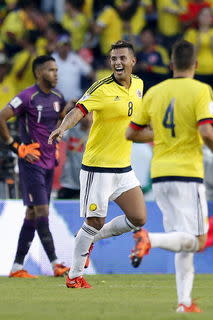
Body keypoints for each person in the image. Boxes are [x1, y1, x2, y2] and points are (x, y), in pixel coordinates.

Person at [125, 40, 213, 312]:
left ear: (170, 65)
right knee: (198, 241)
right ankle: (150, 240)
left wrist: (157, 135)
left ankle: (184, 302)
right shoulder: (201, 90)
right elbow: (206, 131)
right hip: (187, 174)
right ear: (196, 65)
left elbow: (131, 133)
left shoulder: (155, 92)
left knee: (182, 240)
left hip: (160, 175)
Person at [48, 40, 147, 289]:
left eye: (122, 58)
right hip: (98, 167)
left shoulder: (139, 84)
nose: (117, 62)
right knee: (95, 221)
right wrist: (62, 127)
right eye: (113, 58)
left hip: (123, 167)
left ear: (133, 61)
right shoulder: (101, 87)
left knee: (138, 217)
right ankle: (74, 276)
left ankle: (88, 238)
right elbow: (79, 110)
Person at [0, 55, 70, 278]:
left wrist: (58, 135)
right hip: (31, 163)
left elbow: (58, 119)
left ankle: (17, 267)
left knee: (32, 214)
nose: (55, 74)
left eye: (57, 70)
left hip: (50, 162)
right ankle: (56, 263)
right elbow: (1, 117)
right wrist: (15, 146)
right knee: (42, 211)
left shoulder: (58, 97)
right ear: (39, 73)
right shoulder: (27, 97)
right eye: (51, 70)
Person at [57, 112, 92, 199]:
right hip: (69, 181)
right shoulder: (71, 130)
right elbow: (58, 133)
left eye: (89, 114)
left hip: (88, 182)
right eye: (84, 115)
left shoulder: (98, 133)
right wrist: (64, 113)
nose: (86, 118)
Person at [52, 34, 93, 102]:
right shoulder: (52, 59)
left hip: (75, 100)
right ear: (58, 46)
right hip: (57, 100)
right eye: (62, 45)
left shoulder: (76, 58)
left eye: (67, 45)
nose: (64, 47)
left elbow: (90, 73)